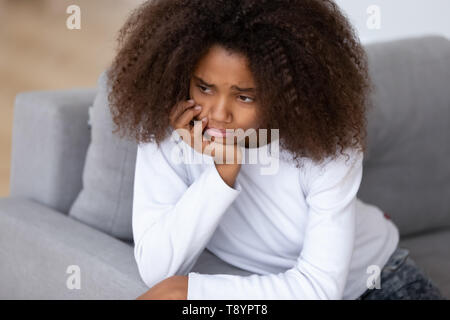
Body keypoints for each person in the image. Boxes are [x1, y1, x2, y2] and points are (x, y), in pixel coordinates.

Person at [106, 0, 446, 300]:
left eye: (244, 96)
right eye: (205, 87)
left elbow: (318, 290)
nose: (218, 113)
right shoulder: (170, 133)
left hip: (378, 280)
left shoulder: (328, 147)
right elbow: (156, 269)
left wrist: (190, 293)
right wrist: (222, 174)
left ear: (284, 90)